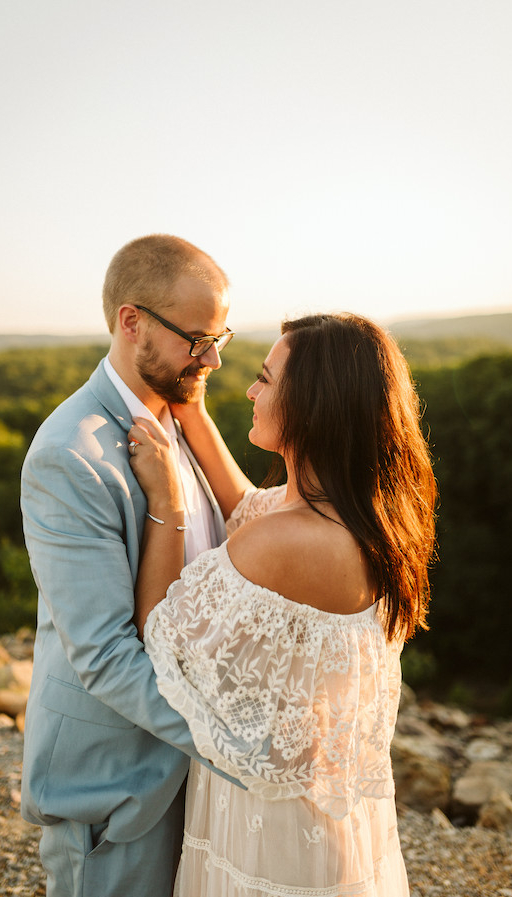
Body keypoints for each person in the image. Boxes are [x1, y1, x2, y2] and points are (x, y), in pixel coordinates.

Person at [126, 311, 436, 896]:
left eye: (266, 379)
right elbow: (247, 502)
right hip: (316, 816)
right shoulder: (356, 515)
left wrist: (165, 498)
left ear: (311, 406)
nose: (249, 388)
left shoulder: (288, 541)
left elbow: (159, 631)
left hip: (272, 834)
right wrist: (189, 408)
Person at [20, 234, 238, 895]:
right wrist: (236, 746)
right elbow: (105, 654)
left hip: (196, 788)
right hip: (117, 789)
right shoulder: (69, 454)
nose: (214, 359)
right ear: (131, 321)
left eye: (221, 337)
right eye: (196, 339)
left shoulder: (180, 412)